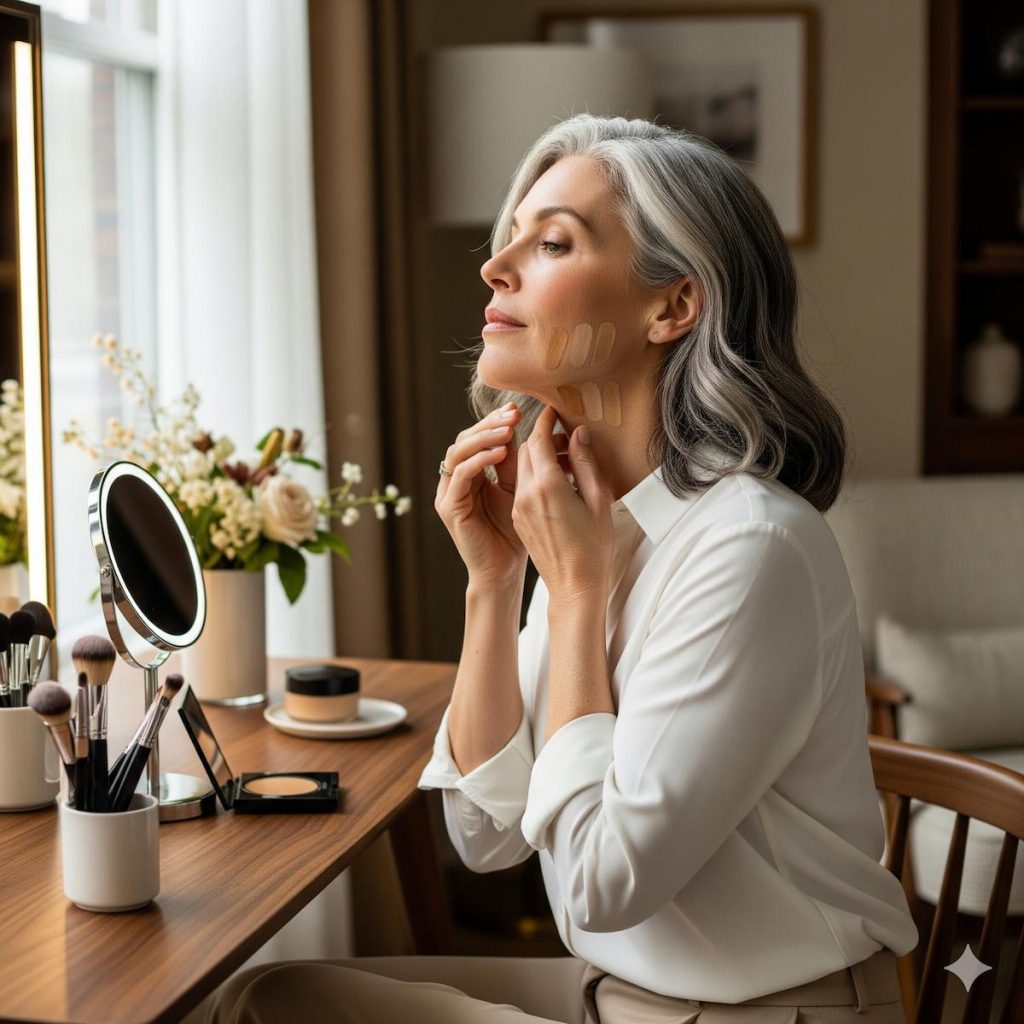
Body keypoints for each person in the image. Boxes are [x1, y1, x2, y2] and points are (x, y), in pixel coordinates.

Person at [209, 114, 917, 1023]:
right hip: (618, 991)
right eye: (511, 241)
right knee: (269, 998)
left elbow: (599, 885)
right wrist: (494, 584)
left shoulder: (749, 548)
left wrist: (577, 595)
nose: (494, 270)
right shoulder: (586, 519)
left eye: (551, 243)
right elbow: (486, 835)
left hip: (768, 1011)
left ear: (673, 307)